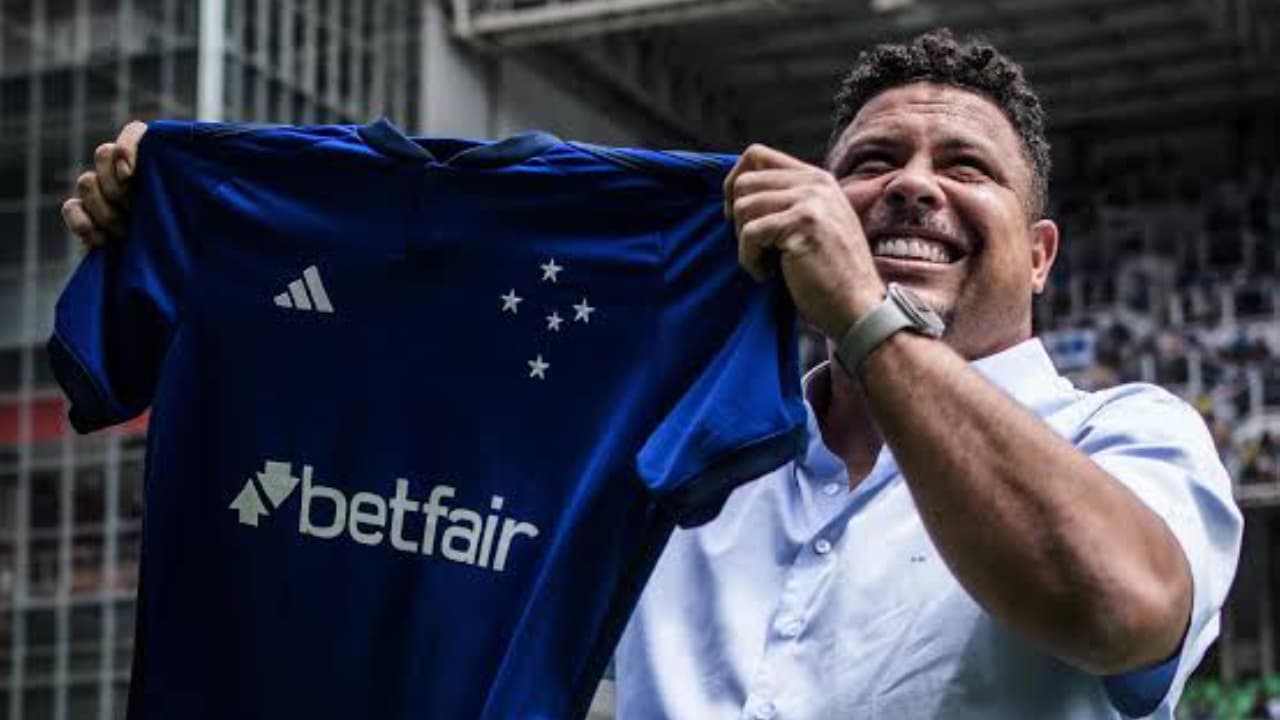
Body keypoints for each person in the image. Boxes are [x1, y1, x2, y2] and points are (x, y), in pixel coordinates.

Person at [63, 29, 1242, 720]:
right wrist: (196, 215)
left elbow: (1112, 609)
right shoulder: (681, 432)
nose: (911, 186)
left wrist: (863, 318)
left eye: (964, 167)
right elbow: (409, 391)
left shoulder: (1127, 432)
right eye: (871, 160)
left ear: (1038, 255)